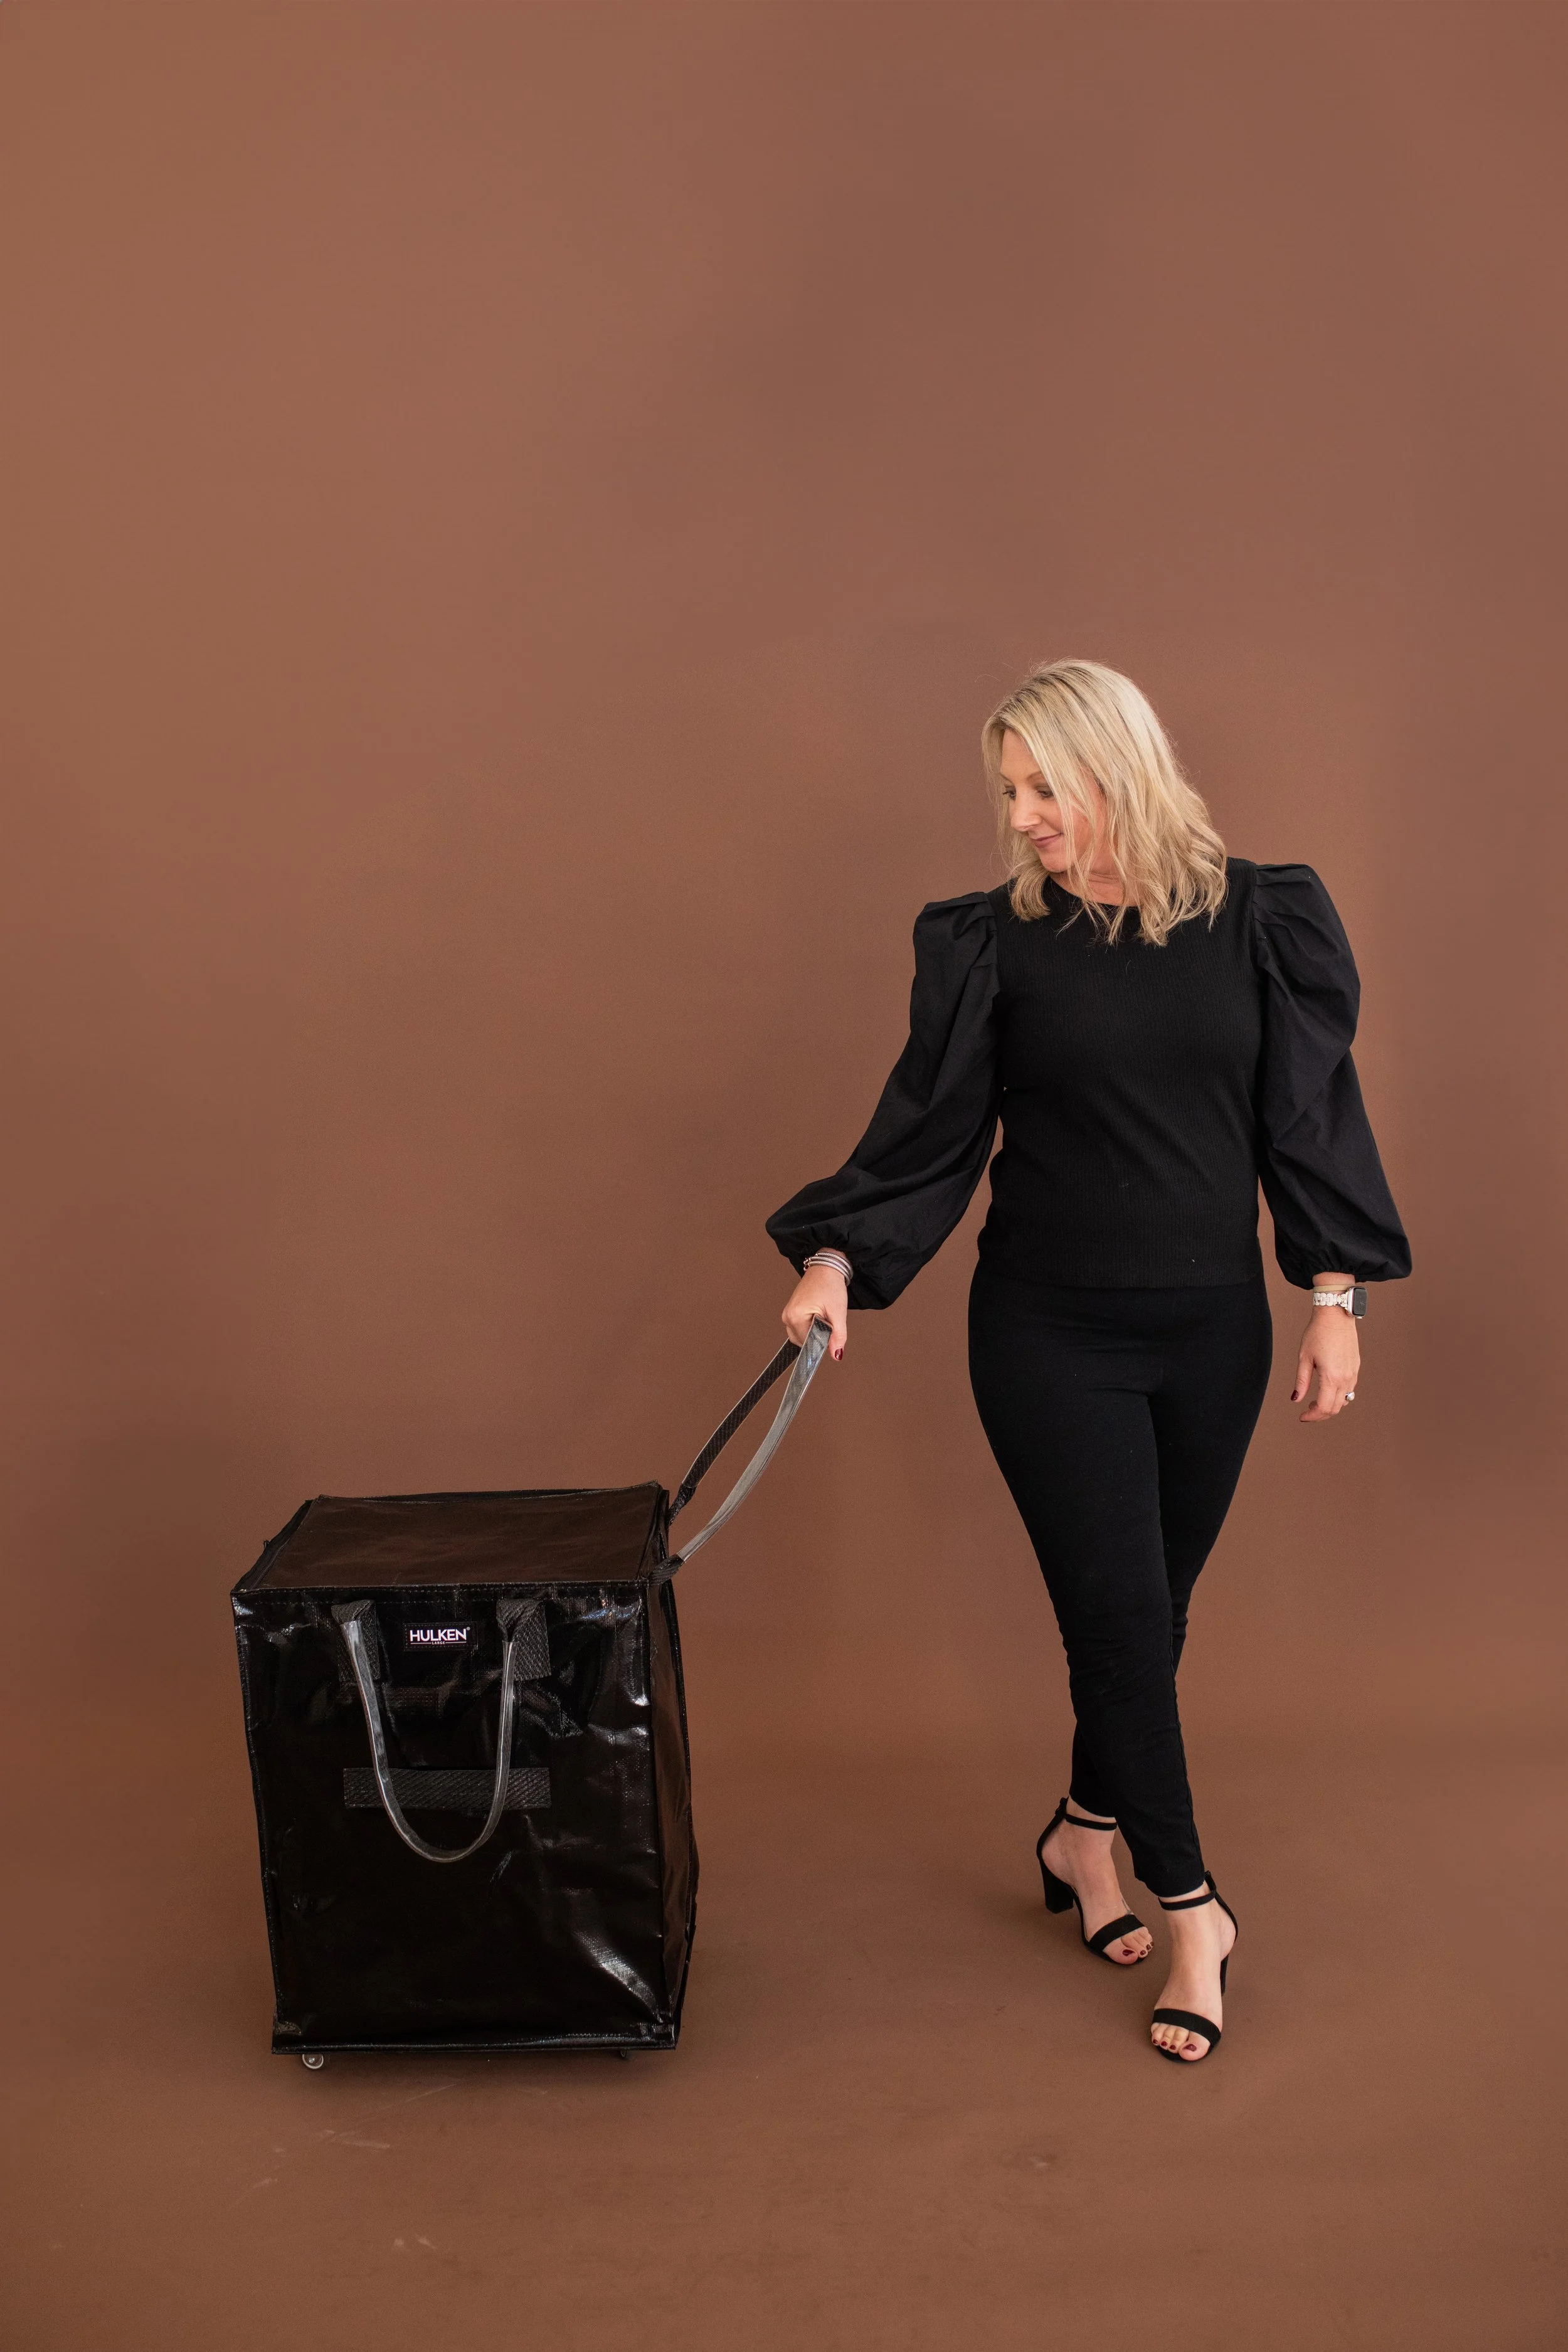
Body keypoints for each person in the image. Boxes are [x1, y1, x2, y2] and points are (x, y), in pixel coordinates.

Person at [766, 659, 1411, 2064]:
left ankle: (1079, 1838)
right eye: (1007, 791)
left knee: (1151, 1620)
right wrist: (835, 1261)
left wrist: (1334, 1296)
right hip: (1046, 1333)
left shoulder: (1261, 921)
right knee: (1119, 1627)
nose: (1023, 818)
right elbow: (926, 1130)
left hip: (1212, 1332)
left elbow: (1306, 1119)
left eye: (1043, 786)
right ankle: (1191, 1913)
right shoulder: (995, 942)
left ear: (1116, 769)